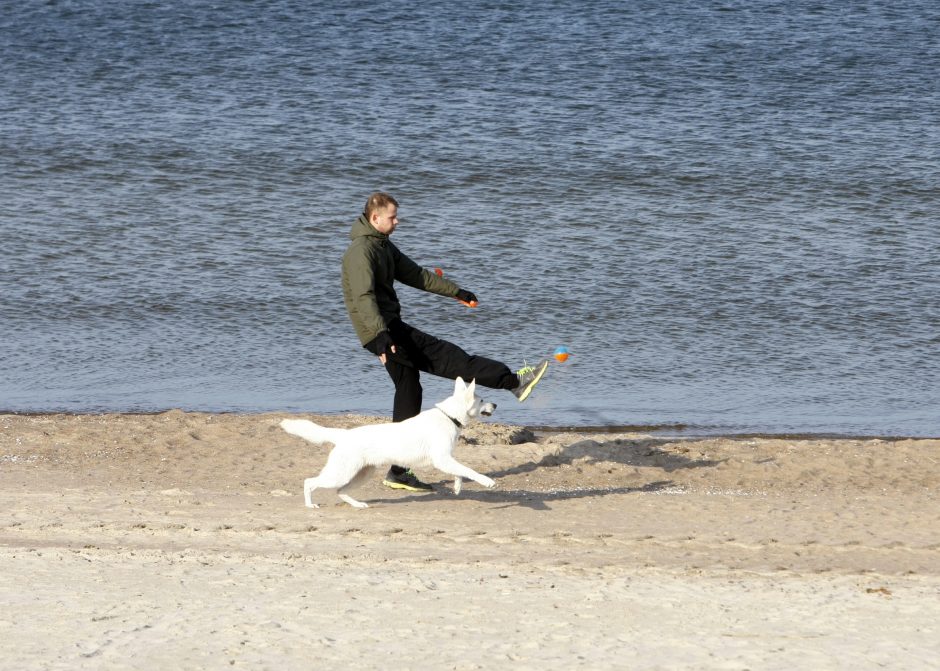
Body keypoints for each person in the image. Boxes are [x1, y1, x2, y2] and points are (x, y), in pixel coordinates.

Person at [341, 192, 549, 492]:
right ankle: (514, 382)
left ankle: (398, 471)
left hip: (383, 331)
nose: (397, 221)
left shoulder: (380, 245)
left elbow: (416, 274)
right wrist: (381, 338)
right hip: (385, 331)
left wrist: (456, 292)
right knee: (452, 359)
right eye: (392, 217)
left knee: (409, 390)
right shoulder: (362, 251)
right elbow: (362, 298)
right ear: (375, 219)